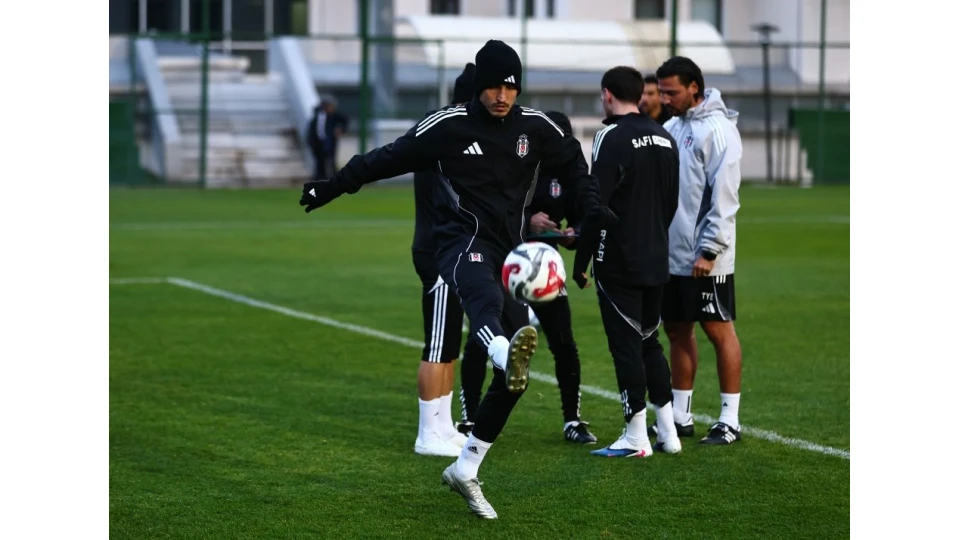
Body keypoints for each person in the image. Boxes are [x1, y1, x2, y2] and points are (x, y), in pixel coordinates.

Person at [299, 40, 611, 519]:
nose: (502, 95)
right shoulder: (447, 125)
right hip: (461, 243)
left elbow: (576, 168)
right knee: (486, 307)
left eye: (510, 86)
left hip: (511, 251)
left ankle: (466, 467)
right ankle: (502, 351)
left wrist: (591, 209)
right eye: (494, 86)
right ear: (479, 85)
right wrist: (332, 186)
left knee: (514, 383)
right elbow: (385, 157)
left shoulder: (536, 127)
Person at [456, 110, 598, 446]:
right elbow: (493, 210)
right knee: (482, 338)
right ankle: (470, 418)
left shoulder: (569, 174)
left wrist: (573, 235)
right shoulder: (514, 165)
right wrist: (528, 219)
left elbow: (583, 217)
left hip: (545, 269)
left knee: (563, 342)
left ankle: (572, 420)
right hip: (505, 265)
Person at [569, 66, 682, 458]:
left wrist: (581, 259)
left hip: (619, 259)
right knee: (650, 341)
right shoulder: (666, 137)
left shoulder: (609, 136)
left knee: (626, 346)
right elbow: (671, 202)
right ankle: (668, 433)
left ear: (607, 94)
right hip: (657, 256)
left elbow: (595, 204)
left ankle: (635, 436)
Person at [655, 56, 744, 446]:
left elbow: (725, 196)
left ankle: (729, 420)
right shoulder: (672, 127)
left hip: (707, 257)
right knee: (677, 329)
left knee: (718, 329)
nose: (665, 99)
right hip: (674, 254)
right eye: (661, 92)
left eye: (671, 92)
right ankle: (680, 415)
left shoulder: (719, 131)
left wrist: (709, 250)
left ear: (694, 88)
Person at [411, 63, 476, 457]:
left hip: (451, 250)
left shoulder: (451, 130)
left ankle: (444, 425)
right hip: (437, 250)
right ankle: (426, 434)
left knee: (450, 342)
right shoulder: (445, 132)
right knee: (437, 344)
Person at [307, 96, 349, 180]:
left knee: (331, 161)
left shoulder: (334, 116)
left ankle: (334, 178)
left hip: (329, 142)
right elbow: (312, 130)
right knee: (320, 162)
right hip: (317, 142)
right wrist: (310, 141)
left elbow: (345, 120)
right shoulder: (317, 116)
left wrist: (341, 129)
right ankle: (320, 178)